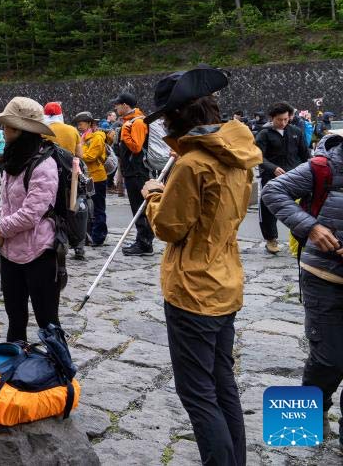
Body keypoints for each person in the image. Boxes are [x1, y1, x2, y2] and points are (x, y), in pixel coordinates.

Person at [139, 66, 258, 466]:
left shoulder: (192, 165)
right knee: (223, 385)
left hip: (192, 289)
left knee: (197, 394)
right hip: (226, 282)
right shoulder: (238, 155)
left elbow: (170, 228)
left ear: (176, 118)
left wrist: (154, 194)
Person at [263, 129, 343, 448]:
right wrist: (310, 227)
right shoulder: (324, 167)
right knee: (328, 359)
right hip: (323, 278)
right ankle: (309, 415)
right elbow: (273, 192)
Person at [0, 97, 62, 344]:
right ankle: (16, 373)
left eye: (7, 126)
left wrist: (1, 230)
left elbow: (31, 214)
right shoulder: (14, 161)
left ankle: (61, 375)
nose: (3, 131)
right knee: (15, 319)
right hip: (10, 253)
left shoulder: (44, 165)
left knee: (47, 322)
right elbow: (6, 202)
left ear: (22, 131)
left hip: (39, 254)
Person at [255, 102, 310, 254]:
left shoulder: (296, 132)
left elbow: (305, 154)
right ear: (272, 118)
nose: (283, 123)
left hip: (294, 176)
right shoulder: (264, 134)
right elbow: (258, 156)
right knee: (267, 208)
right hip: (271, 177)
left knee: (299, 208)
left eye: (286, 119)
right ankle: (271, 239)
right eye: (280, 119)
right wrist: (272, 168)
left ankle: (300, 239)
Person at [113, 92, 156, 257]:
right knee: (138, 206)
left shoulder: (137, 122)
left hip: (138, 171)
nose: (115, 108)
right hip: (132, 171)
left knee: (140, 207)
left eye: (117, 105)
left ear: (125, 105)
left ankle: (145, 243)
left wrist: (124, 135)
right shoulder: (130, 122)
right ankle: (142, 240)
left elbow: (136, 147)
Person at [73, 112, 109, 247]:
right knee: (88, 207)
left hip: (97, 177)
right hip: (87, 177)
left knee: (98, 207)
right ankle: (90, 234)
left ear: (89, 124)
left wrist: (78, 151)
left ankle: (99, 236)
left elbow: (89, 156)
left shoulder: (97, 137)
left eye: (81, 124)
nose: (79, 127)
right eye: (78, 124)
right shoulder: (83, 137)